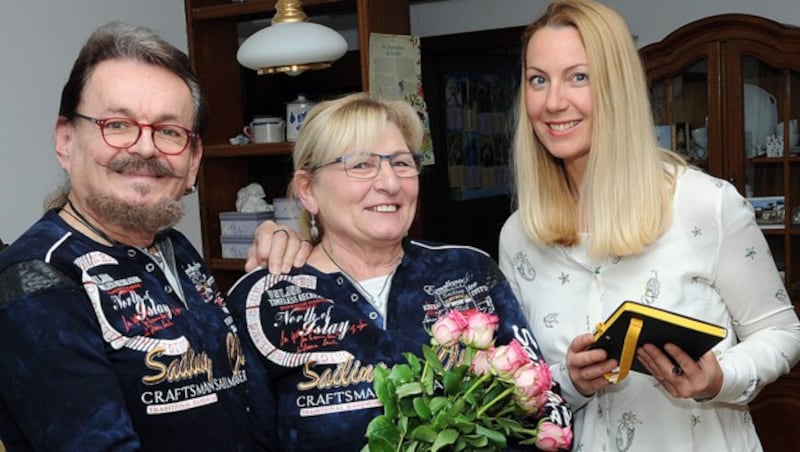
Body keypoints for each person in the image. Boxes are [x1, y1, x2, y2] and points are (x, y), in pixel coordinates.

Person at [496, 1, 800, 451]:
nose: (553, 101)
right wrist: (573, 381)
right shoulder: (519, 236)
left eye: (578, 76)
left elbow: (784, 334)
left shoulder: (704, 205)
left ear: (616, 87)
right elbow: (524, 387)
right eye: (538, 80)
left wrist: (719, 377)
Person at [226, 92, 573, 451]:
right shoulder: (262, 302)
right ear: (308, 190)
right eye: (361, 165)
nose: (390, 183)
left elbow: (548, 403)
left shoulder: (468, 272)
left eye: (402, 163)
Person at [0, 22, 283, 450]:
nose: (146, 148)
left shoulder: (175, 250)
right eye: (117, 124)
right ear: (66, 141)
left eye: (169, 132)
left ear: (193, 162)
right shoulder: (37, 281)